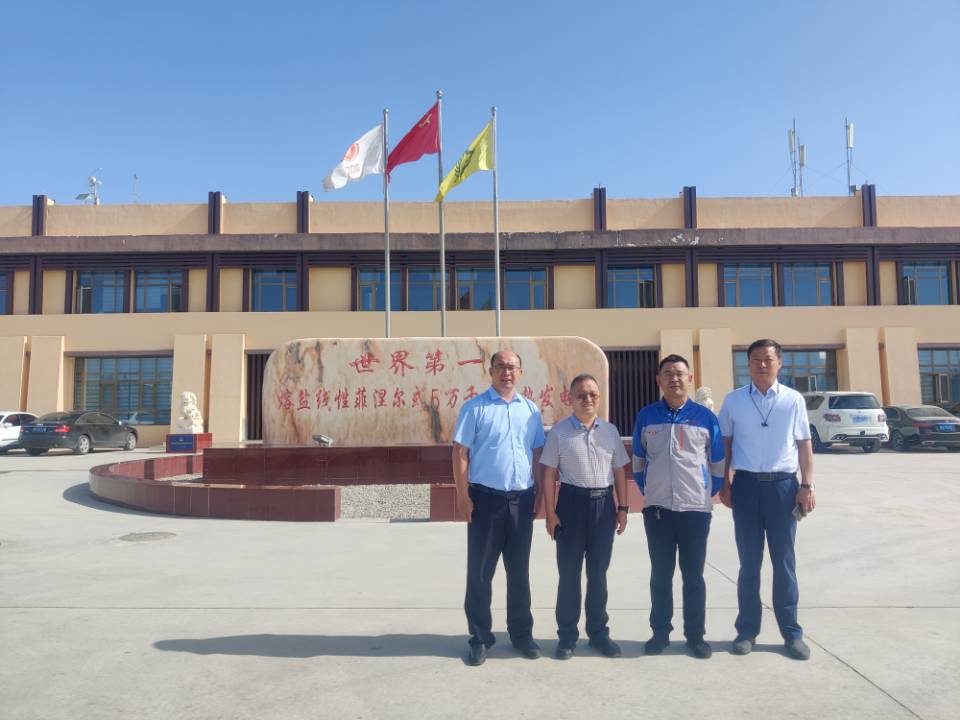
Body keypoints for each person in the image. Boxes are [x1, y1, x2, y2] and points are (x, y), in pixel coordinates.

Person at [718, 338, 816, 661]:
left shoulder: (793, 400)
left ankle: (791, 633)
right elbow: (725, 445)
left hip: (783, 489)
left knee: (784, 564)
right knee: (749, 564)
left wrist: (807, 485)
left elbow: (804, 445)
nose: (762, 364)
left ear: (779, 363)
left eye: (768, 358)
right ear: (747, 364)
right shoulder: (733, 401)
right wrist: (725, 482)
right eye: (756, 359)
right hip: (746, 487)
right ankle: (747, 631)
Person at [452, 349, 546, 666]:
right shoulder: (475, 408)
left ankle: (521, 635)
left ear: (520, 372)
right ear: (490, 371)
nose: (506, 372)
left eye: (512, 367)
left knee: (519, 573)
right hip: (485, 501)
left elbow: (537, 453)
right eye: (501, 367)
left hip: (522, 500)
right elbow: (460, 453)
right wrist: (462, 495)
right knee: (480, 573)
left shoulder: (530, 410)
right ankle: (480, 637)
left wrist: (540, 493)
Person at [632, 354, 725, 659]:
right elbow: (638, 463)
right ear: (659, 380)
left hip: (695, 510)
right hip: (658, 510)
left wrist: (704, 494)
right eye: (668, 374)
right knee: (660, 576)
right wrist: (653, 491)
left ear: (690, 378)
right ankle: (660, 633)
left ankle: (695, 636)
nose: (674, 379)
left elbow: (718, 464)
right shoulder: (647, 416)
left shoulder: (705, 418)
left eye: (679, 373)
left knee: (693, 577)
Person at [540, 374, 631, 660]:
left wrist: (623, 508)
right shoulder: (559, 432)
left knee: (598, 574)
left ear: (599, 398)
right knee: (569, 575)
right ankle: (567, 636)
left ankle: (599, 633)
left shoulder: (610, 432)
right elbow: (549, 473)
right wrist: (550, 513)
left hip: (603, 506)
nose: (587, 399)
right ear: (570, 399)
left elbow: (619, 471)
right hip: (570, 505)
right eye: (581, 395)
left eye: (593, 394)